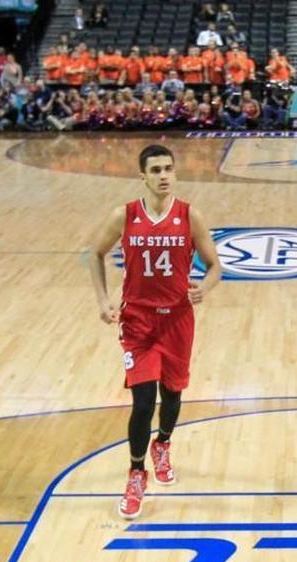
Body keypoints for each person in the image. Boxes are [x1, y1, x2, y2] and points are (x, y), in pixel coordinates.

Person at [84, 145, 221, 519]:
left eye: (169, 169)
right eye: (156, 169)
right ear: (141, 176)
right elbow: (94, 253)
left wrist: (204, 288)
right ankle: (136, 472)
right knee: (143, 401)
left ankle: (163, 443)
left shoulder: (190, 216)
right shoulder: (124, 215)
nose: (164, 175)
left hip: (177, 319)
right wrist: (102, 300)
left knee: (172, 394)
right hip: (138, 322)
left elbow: (215, 267)